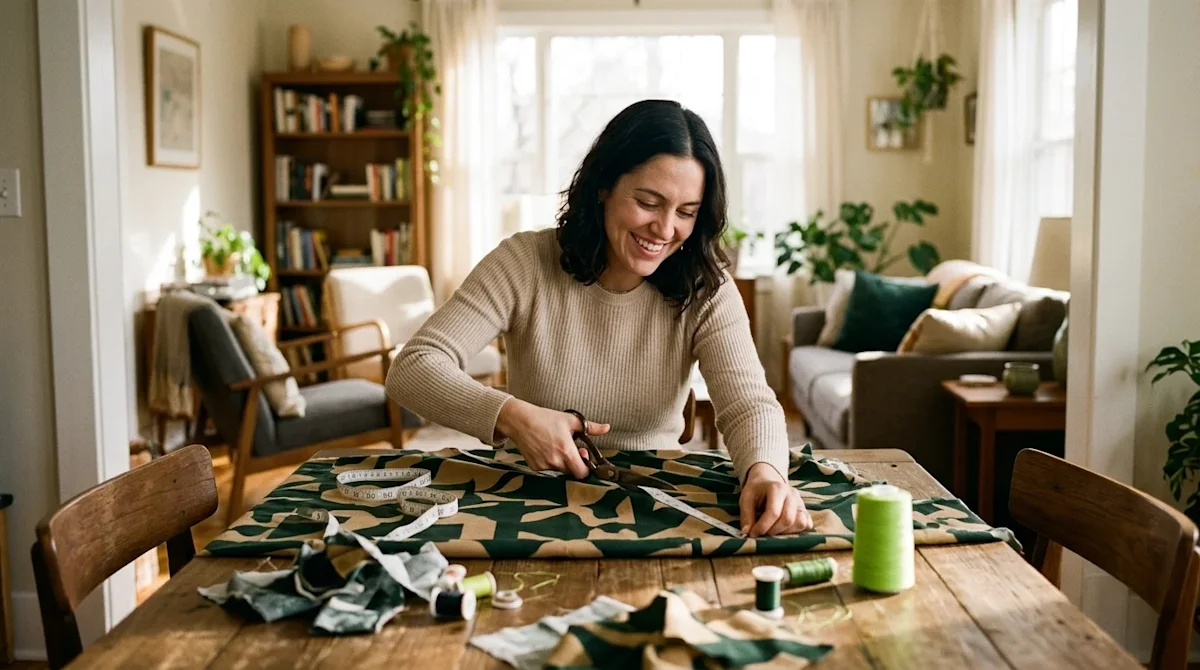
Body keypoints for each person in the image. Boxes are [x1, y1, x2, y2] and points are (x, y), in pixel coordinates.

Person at [387, 99, 811, 537]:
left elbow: (747, 403)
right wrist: (513, 417)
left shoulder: (707, 285)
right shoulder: (524, 261)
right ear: (603, 186)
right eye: (649, 202)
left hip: (654, 501)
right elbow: (414, 367)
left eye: (686, 212)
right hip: (529, 496)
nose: (665, 230)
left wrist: (766, 472)